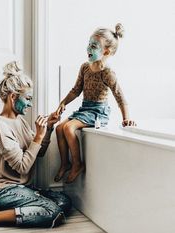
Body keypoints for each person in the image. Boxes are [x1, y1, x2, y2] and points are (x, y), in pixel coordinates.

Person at [0, 61, 71, 231]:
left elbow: (39, 153)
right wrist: (38, 136)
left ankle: (0, 210)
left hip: (23, 188)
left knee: (64, 201)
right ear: (13, 97)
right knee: (53, 211)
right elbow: (22, 167)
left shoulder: (20, 120)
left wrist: (49, 128)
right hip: (3, 191)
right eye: (28, 99)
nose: (30, 104)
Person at [54, 23, 136, 184]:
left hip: (98, 112)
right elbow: (76, 90)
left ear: (106, 51)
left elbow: (119, 96)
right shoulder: (85, 67)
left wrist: (126, 118)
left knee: (68, 128)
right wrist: (63, 103)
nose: (89, 49)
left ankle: (78, 164)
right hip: (86, 108)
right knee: (59, 128)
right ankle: (65, 163)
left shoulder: (107, 72)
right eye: (89, 44)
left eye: (94, 46)